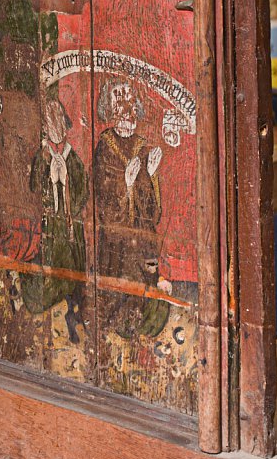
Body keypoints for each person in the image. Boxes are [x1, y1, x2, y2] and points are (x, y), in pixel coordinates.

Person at [93, 78, 170, 339]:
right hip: (118, 243)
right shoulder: (105, 146)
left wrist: (150, 174)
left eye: (129, 101)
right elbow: (105, 202)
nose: (126, 108)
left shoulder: (140, 144)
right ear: (110, 108)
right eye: (119, 101)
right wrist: (125, 184)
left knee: (151, 297)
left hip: (142, 240)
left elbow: (151, 213)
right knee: (122, 296)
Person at [21, 100, 88, 343]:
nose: (56, 128)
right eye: (51, 124)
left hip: (70, 228)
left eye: (59, 122)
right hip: (50, 227)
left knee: (75, 272)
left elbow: (83, 190)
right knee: (53, 273)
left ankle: (74, 313)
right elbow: (33, 189)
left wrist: (72, 202)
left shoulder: (73, 159)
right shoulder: (41, 158)